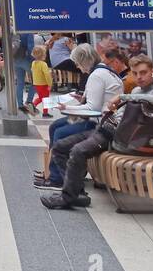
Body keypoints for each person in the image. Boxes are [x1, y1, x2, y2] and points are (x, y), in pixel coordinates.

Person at [40, 53, 153, 210]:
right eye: (135, 73)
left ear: (152, 71)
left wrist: (121, 97)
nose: (139, 77)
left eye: (143, 72)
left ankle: (67, 197)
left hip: (118, 136)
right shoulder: (137, 89)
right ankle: (76, 192)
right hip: (106, 129)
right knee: (59, 147)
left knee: (77, 151)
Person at [35, 43, 124, 189]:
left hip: (99, 123)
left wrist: (66, 108)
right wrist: (80, 100)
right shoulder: (103, 72)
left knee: (60, 132)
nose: (77, 66)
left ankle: (58, 179)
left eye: (77, 63)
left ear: (84, 61)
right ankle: (51, 172)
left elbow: (92, 109)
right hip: (102, 120)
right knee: (55, 126)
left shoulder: (96, 75)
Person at [29, 44, 52, 117]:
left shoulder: (33, 63)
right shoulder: (43, 64)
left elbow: (32, 71)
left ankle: (33, 105)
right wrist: (50, 84)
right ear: (43, 55)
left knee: (41, 97)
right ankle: (45, 113)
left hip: (36, 83)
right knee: (46, 99)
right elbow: (47, 75)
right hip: (44, 84)